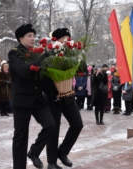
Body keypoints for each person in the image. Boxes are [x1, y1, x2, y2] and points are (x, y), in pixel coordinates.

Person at [9, 24, 55, 169]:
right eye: (29, 36)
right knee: (20, 137)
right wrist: (44, 58)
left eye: (34, 36)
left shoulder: (36, 54)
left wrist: (56, 92)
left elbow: (42, 77)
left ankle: (34, 152)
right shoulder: (14, 53)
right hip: (22, 100)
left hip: (37, 98)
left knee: (50, 125)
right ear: (20, 38)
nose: (33, 38)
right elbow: (24, 70)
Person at [42, 27, 83, 169]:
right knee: (54, 130)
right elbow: (44, 78)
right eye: (63, 38)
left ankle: (63, 152)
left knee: (77, 124)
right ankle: (51, 162)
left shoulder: (72, 55)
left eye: (68, 38)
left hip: (69, 96)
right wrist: (55, 93)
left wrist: (79, 55)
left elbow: (80, 70)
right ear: (56, 40)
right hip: (53, 98)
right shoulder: (48, 55)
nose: (67, 40)